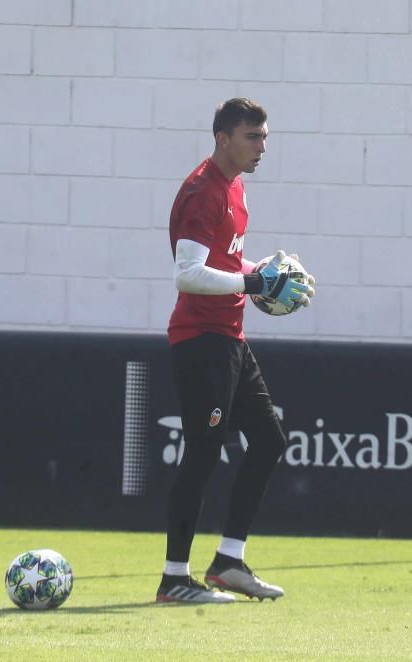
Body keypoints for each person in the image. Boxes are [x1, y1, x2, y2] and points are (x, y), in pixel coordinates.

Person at [156, 98, 315, 604]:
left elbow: (223, 262)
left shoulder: (235, 189)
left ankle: (228, 562)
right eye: (253, 137)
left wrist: (264, 273)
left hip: (230, 338)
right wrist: (252, 280)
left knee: (268, 440)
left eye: (265, 137)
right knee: (202, 455)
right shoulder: (203, 190)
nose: (262, 146)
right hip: (200, 340)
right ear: (223, 138)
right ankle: (175, 579)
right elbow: (187, 273)